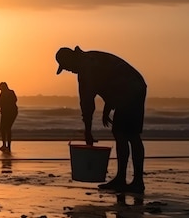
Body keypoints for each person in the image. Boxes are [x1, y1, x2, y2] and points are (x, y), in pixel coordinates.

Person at [55, 46, 147, 193]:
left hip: (130, 88)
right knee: (122, 133)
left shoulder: (86, 69)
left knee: (127, 134)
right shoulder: (89, 59)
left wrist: (88, 131)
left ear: (71, 60)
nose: (69, 71)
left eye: (66, 67)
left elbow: (87, 103)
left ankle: (134, 181)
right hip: (132, 85)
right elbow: (109, 80)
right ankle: (124, 179)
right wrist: (108, 107)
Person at [0, 82, 18, 152]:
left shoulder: (11, 92)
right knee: (2, 129)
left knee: (7, 128)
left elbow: (14, 100)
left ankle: (8, 146)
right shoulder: (3, 93)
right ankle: (5, 145)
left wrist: (4, 103)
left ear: (4, 87)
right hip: (5, 113)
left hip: (11, 113)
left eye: (1, 89)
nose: (1, 91)